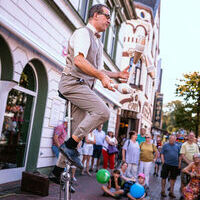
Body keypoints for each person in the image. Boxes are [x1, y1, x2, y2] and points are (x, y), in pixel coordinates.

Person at [51, 4, 129, 180]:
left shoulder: (98, 42)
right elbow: (79, 61)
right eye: (107, 16)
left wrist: (117, 74)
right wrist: (101, 76)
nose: (109, 20)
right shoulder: (82, 33)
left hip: (83, 87)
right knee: (103, 111)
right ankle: (69, 145)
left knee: (76, 132)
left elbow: (98, 69)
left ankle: (56, 172)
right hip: (72, 84)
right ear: (95, 15)